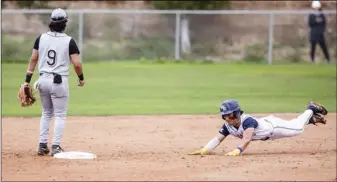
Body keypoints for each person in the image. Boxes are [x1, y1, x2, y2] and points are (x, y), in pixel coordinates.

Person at [21, 8, 85, 156]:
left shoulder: (41, 38)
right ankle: (56, 146)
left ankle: (42, 145)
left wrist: (26, 81)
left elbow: (33, 59)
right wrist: (81, 78)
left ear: (51, 22)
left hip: (42, 80)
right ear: (65, 24)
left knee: (46, 113)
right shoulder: (69, 41)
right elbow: (77, 64)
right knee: (60, 114)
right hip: (59, 82)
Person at [189, 99, 328, 156]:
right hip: (268, 133)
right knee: (297, 126)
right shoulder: (228, 126)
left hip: (274, 127)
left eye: (229, 115)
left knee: (298, 129)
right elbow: (217, 139)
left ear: (237, 113)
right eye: (224, 116)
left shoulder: (247, 121)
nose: (227, 119)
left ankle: (310, 109)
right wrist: (205, 149)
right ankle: (310, 119)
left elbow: (247, 138)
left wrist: (237, 151)